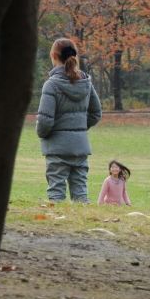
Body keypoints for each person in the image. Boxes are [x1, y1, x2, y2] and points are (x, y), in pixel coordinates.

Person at [36, 38, 101, 203]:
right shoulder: (86, 82)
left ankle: (56, 226)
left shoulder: (51, 85)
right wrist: (77, 130)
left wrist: (44, 134)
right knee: (81, 194)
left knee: (56, 193)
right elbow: (96, 113)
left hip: (57, 148)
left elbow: (45, 122)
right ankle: (83, 226)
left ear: (53, 55)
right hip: (80, 147)